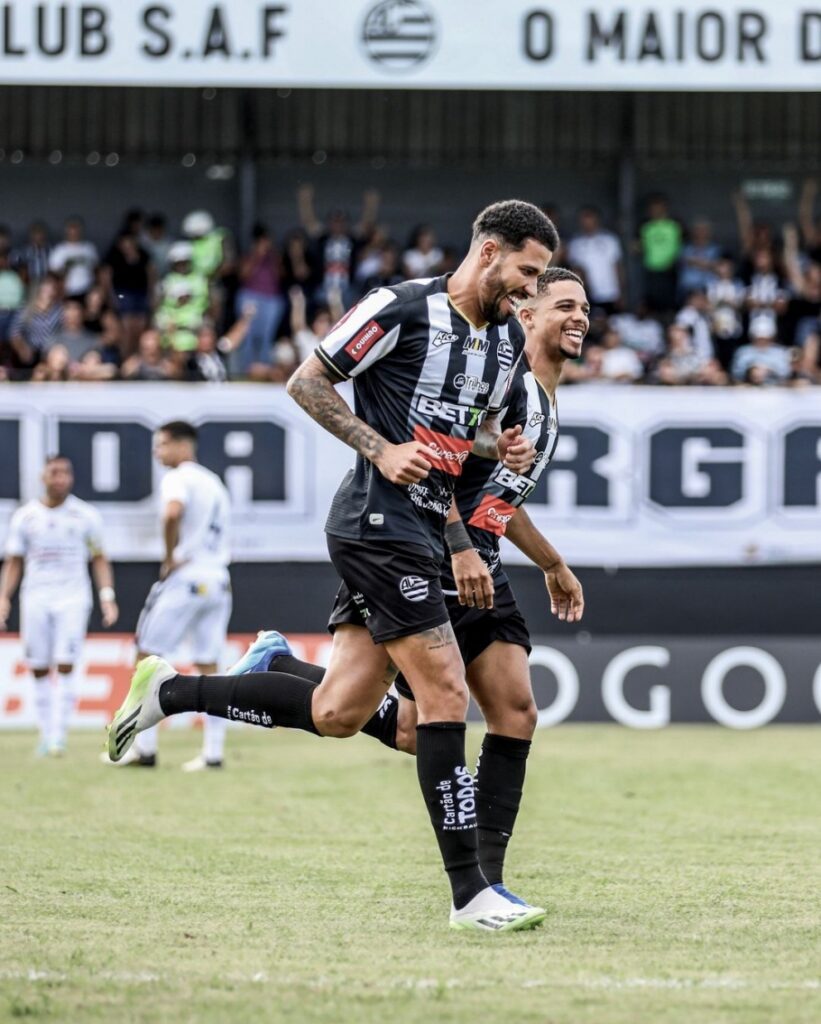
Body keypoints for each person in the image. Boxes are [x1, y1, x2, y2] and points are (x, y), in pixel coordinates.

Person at [109, 199, 558, 932]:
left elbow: (460, 435)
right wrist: (380, 449)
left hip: (423, 528)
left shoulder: (505, 339)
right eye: (525, 272)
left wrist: (494, 449)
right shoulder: (400, 307)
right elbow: (307, 382)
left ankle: (172, 690)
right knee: (443, 694)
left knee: (340, 713)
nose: (529, 291)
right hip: (375, 524)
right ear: (487, 250)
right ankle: (470, 895)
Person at [106, 421, 232, 771]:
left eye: (161, 445)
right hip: (218, 579)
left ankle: (143, 747)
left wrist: (168, 555)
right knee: (210, 665)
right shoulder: (214, 482)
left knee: (147, 656)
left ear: (180, 445)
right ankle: (213, 752)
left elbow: (172, 512)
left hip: (187, 576)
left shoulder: (177, 478)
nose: (157, 453)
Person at [0, 456, 118, 755]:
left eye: (66, 472)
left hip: (73, 598)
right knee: (39, 666)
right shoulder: (26, 517)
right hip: (36, 598)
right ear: (43, 476)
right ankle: (45, 732)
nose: (61, 478)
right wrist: (4, 597)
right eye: (55, 472)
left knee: (65, 663)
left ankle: (59, 736)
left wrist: (107, 597)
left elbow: (99, 558)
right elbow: (14, 561)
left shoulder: (85, 515)